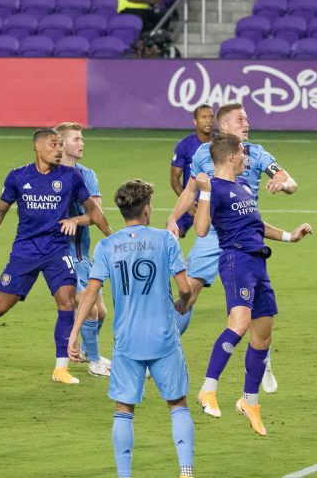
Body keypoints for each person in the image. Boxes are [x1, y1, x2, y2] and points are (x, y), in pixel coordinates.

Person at [0, 128, 112, 384]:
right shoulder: (17, 177)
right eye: (54, 145)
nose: (59, 150)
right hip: (25, 251)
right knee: (0, 307)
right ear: (38, 147)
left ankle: (60, 369)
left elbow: (94, 210)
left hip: (57, 250)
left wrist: (112, 239)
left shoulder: (71, 177)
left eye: (60, 145)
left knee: (67, 301)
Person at [68, 179, 195, 478]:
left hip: (127, 340)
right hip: (163, 336)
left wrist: (74, 333)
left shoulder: (107, 245)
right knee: (177, 404)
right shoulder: (166, 240)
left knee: (124, 409)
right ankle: (186, 472)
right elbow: (185, 288)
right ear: (147, 210)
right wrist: (183, 302)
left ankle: (125, 476)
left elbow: (90, 291)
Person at [166, 103, 297, 394]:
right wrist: (173, 220)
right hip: (212, 230)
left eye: (247, 118)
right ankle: (166, 347)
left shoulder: (257, 152)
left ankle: (263, 361)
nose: (247, 123)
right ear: (224, 127)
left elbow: (291, 183)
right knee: (188, 289)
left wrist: (282, 183)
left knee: (253, 309)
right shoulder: (204, 154)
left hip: (245, 232)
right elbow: (190, 190)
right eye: (240, 119)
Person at [192, 134, 313, 435]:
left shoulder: (244, 186)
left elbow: (258, 224)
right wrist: (205, 193)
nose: (247, 157)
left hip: (259, 262)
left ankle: (250, 402)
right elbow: (202, 228)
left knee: (263, 336)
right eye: (243, 153)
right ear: (231, 156)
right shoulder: (215, 188)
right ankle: (208, 388)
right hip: (236, 261)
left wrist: (289, 236)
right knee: (239, 323)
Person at [55, 122, 112, 378]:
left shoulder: (86, 174)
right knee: (87, 308)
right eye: (76, 139)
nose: (82, 143)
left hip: (82, 254)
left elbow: (95, 214)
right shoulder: (49, 177)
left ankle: (89, 351)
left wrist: (75, 220)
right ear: (62, 144)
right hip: (60, 255)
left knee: (101, 312)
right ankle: (94, 362)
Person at [171, 105, 215, 239]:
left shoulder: (221, 145)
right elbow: (174, 179)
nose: (208, 120)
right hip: (191, 202)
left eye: (211, 117)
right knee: (171, 234)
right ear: (195, 121)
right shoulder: (184, 145)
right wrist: (187, 203)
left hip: (213, 203)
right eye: (204, 117)